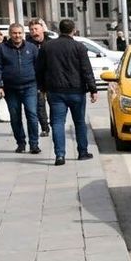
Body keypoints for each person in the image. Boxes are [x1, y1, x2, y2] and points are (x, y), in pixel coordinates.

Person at [35, 19, 97, 165]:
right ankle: (82, 152)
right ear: (73, 30)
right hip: (76, 91)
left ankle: (60, 155)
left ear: (59, 30)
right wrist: (92, 89)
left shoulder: (47, 47)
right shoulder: (79, 47)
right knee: (79, 122)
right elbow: (86, 70)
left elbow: (39, 69)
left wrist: (42, 88)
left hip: (55, 91)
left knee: (57, 123)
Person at [0, 23, 43, 154]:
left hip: (30, 87)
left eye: (19, 33)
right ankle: (21, 143)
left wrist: (41, 86)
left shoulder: (31, 48)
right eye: (14, 33)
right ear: (10, 34)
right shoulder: (1, 49)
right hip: (10, 88)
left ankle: (34, 144)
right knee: (15, 117)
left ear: (23, 34)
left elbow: (39, 67)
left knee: (32, 114)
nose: (17, 35)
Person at [26, 19, 51, 136]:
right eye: (31, 30)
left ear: (42, 29)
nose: (34, 32)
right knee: (40, 105)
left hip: (51, 79)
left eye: (36, 29)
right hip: (36, 80)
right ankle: (45, 128)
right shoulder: (27, 44)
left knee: (54, 103)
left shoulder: (50, 43)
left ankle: (55, 123)